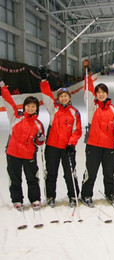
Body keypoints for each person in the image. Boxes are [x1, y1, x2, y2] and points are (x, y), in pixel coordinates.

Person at [38, 66, 82, 208]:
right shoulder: (54, 110)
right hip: (52, 147)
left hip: (67, 148)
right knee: (51, 174)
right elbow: (46, 95)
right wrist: (44, 80)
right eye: (61, 96)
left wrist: (71, 143)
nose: (63, 98)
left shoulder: (74, 112)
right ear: (58, 98)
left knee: (69, 174)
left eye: (65, 96)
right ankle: (51, 196)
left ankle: (73, 196)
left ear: (69, 97)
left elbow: (77, 131)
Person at [81, 60, 114, 207]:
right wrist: (88, 73)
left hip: (108, 146)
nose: (100, 95)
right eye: (98, 93)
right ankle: (86, 195)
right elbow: (87, 91)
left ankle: (110, 193)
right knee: (91, 173)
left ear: (107, 93)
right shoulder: (92, 107)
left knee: (109, 173)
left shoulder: (113, 109)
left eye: (103, 92)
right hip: (93, 145)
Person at [0, 78, 45, 210]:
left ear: (36, 108)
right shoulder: (16, 117)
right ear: (24, 106)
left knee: (32, 178)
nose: (30, 108)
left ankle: (35, 199)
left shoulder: (38, 124)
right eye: (28, 106)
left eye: (33, 106)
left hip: (28, 155)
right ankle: (17, 199)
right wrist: (3, 86)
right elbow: (8, 101)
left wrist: (40, 139)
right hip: (13, 153)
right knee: (15, 178)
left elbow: (39, 141)